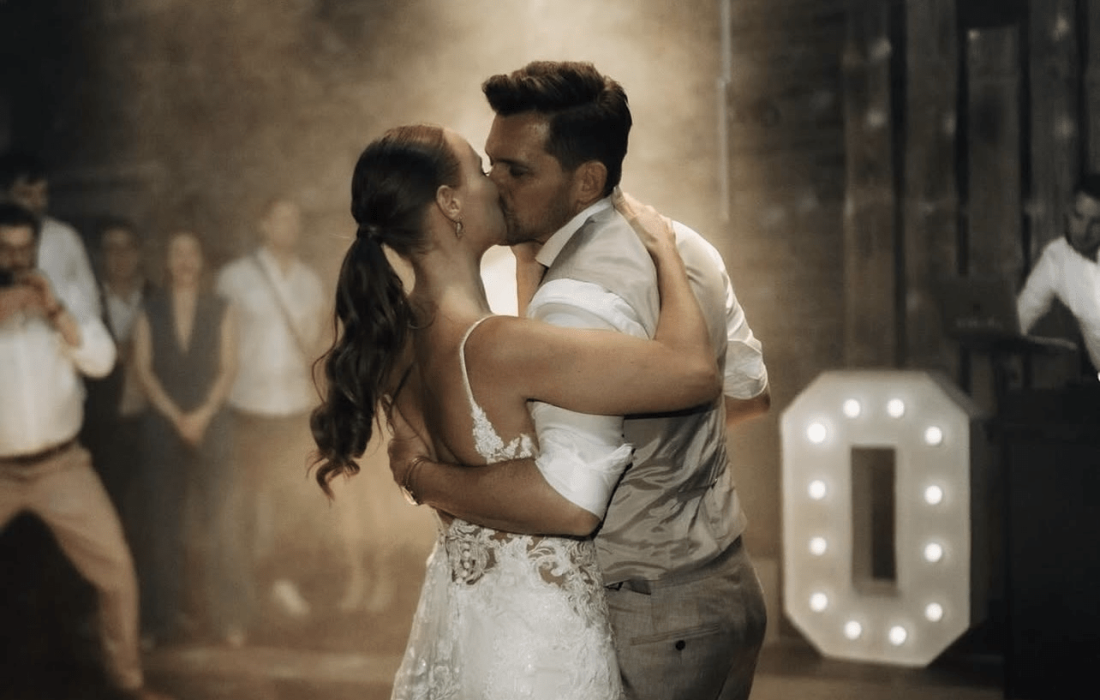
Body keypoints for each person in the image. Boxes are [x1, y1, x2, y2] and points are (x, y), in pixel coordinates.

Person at [388, 61, 771, 700]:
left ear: (586, 178)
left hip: (643, 612)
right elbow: (752, 397)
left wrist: (420, 477)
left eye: (517, 171)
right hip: (729, 588)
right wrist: (665, 455)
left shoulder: (572, 300)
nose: (495, 184)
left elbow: (569, 500)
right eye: (491, 164)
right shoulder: (685, 245)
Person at [310, 124, 722, 700]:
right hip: (536, 650)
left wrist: (420, 478)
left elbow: (463, 440)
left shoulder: (396, 337)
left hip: (460, 626)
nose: (497, 181)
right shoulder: (497, 346)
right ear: (449, 203)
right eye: (480, 170)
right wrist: (666, 253)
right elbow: (695, 373)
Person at [0, 202, 169, 700]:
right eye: (5, 249)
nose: (17, 259)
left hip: (62, 467)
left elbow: (101, 361)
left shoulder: (64, 293)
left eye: (25, 248)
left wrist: (55, 312)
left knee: (116, 569)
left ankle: (128, 681)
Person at [214, 197, 334, 620]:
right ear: (263, 225)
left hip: (294, 408)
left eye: (294, 220)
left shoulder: (309, 282)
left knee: (292, 501)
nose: (289, 227)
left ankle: (283, 582)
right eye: (281, 219)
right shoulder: (234, 278)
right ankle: (240, 593)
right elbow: (219, 342)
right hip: (247, 406)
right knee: (242, 504)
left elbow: (318, 342)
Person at [131, 230, 247, 647]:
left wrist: (200, 415)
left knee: (223, 525)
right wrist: (176, 416)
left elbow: (229, 367)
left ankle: (229, 618)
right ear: (166, 261)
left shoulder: (222, 308)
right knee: (161, 524)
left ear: (201, 260)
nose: (184, 260)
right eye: (176, 252)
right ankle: (161, 621)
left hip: (211, 422)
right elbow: (143, 370)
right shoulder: (149, 309)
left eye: (191, 252)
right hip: (164, 424)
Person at [81, 218, 149, 519]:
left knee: (149, 508)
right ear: (100, 255)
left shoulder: (156, 296)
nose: (120, 256)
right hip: (102, 426)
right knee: (108, 508)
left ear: (139, 253)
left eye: (127, 247)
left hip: (149, 421)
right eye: (111, 248)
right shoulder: (86, 302)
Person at [0, 150, 101, 320]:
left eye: (42, 193)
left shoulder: (65, 238)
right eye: (26, 194)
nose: (38, 203)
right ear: (3, 195)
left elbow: (91, 304)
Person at [1017, 174, 1100, 377]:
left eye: (1096, 222)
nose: (1083, 231)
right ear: (1068, 212)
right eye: (1078, 216)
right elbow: (1020, 316)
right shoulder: (1056, 258)